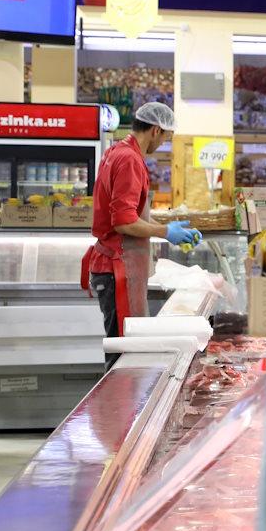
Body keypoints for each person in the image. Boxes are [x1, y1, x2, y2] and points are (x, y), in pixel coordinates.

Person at [82, 101, 201, 362]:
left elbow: (128, 212)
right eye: (166, 138)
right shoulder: (129, 160)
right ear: (156, 130)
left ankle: (122, 402)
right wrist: (165, 231)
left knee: (125, 350)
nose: (163, 144)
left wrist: (162, 224)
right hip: (117, 269)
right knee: (125, 355)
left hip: (115, 267)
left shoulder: (118, 151)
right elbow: (123, 223)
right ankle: (118, 404)